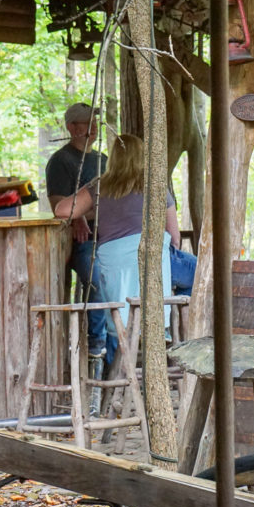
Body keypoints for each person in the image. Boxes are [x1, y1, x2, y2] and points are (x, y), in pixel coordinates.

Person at [54, 134, 181, 368]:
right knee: (197, 275)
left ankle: (115, 364)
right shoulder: (155, 184)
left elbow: (62, 210)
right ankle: (177, 335)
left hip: (115, 272)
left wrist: (83, 212)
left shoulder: (100, 186)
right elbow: (174, 237)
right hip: (154, 268)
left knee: (112, 296)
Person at [45, 103, 108, 363]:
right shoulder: (61, 161)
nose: (93, 128)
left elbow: (112, 200)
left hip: (108, 236)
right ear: (71, 127)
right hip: (80, 242)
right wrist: (80, 215)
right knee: (97, 277)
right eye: (85, 123)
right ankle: (97, 344)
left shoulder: (104, 160)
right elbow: (60, 206)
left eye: (95, 122)